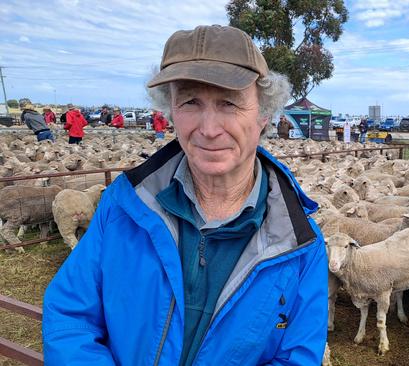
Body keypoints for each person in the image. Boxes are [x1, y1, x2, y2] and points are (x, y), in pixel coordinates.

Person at [42, 24, 327, 366]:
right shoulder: (121, 208)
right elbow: (69, 317)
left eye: (229, 103)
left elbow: (297, 358)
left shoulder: (301, 246)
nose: (208, 129)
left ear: (264, 114)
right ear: (171, 110)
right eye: (190, 101)